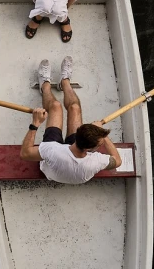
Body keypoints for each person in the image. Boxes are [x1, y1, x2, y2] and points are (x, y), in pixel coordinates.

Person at [20, 57, 122, 185]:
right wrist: (103, 135)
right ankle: (64, 82)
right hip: (65, 157)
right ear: (91, 149)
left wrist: (35, 123)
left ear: (77, 133)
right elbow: (117, 161)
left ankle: (46, 86)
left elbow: (25, 153)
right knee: (75, 107)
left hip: (57, 159)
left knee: (55, 107)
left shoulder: (52, 150)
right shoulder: (97, 161)